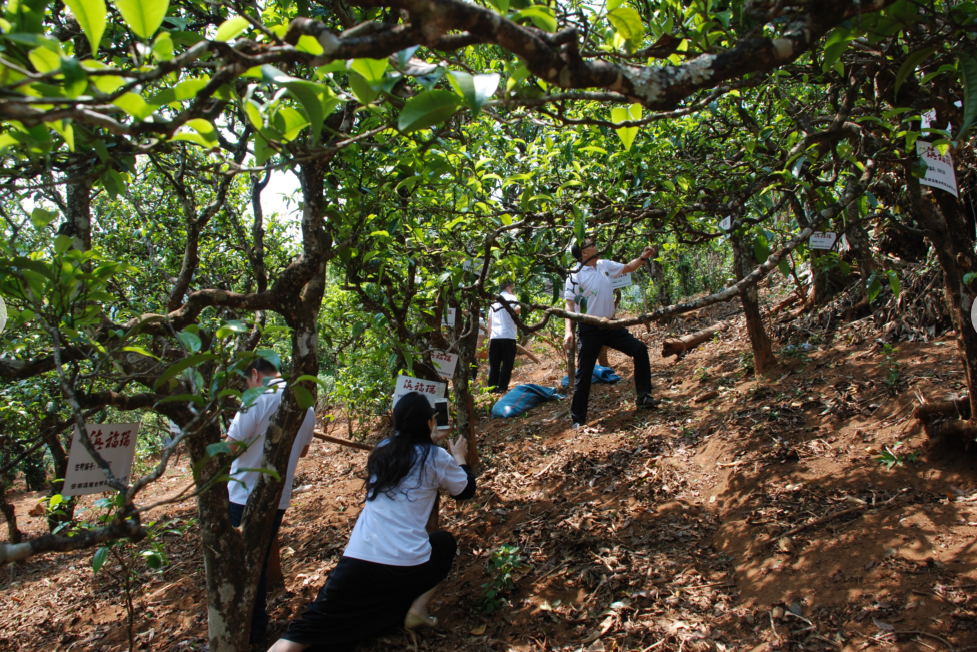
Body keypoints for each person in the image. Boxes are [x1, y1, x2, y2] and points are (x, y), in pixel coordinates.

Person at [268, 392, 475, 652]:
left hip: (357, 562)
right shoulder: (436, 457)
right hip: (407, 566)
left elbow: (409, 453)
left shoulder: (382, 450)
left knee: (304, 632)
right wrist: (458, 456)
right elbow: (466, 490)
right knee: (444, 543)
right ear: (429, 423)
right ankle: (417, 609)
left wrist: (430, 439)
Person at [225, 358, 317, 644]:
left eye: (245, 382)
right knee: (259, 561)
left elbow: (229, 447)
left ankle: (246, 630)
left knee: (240, 565)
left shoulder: (256, 398)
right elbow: (302, 453)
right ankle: (257, 626)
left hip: (243, 494)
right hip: (277, 498)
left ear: (254, 374)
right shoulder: (305, 404)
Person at [564, 238, 661, 429]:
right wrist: (569, 332)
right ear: (584, 252)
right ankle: (578, 419)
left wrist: (643, 257)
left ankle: (643, 396)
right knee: (584, 373)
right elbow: (568, 305)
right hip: (589, 329)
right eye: (592, 244)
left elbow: (628, 267)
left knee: (639, 349)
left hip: (610, 325)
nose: (596, 245)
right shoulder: (574, 275)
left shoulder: (604, 265)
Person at [487, 281, 521, 394]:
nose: (513, 290)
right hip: (508, 336)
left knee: (494, 364)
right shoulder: (512, 298)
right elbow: (516, 310)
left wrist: (489, 337)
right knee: (507, 363)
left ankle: (491, 389)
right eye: (512, 287)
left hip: (495, 336)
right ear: (507, 287)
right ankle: (502, 388)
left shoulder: (494, 301)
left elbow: (489, 320)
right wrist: (526, 307)